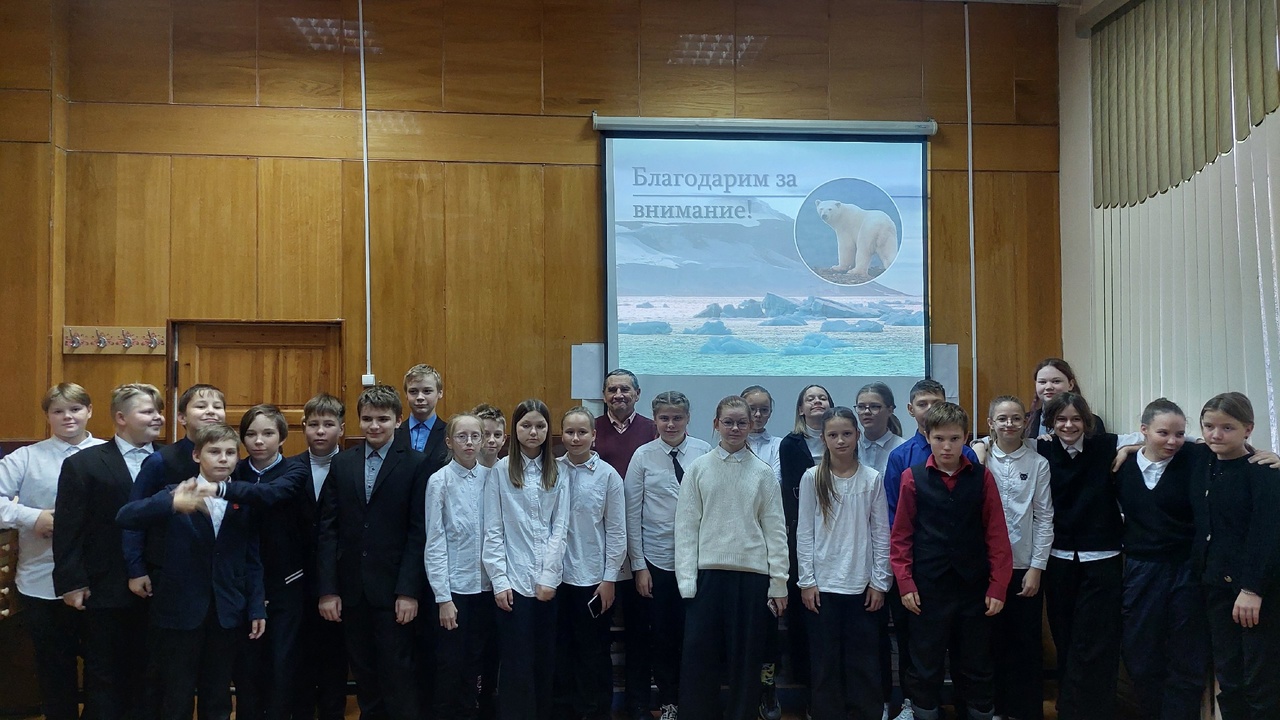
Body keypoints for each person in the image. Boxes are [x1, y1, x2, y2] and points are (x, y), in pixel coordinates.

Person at [116, 423, 266, 720]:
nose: (223, 459)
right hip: (179, 611)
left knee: (218, 695)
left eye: (230, 453)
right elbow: (125, 517)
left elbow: (252, 558)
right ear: (197, 455)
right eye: (214, 452)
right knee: (177, 694)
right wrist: (170, 504)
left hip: (226, 610)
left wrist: (256, 605)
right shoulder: (174, 492)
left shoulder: (243, 499)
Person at [889, 402, 1012, 720]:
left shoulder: (982, 478)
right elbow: (901, 536)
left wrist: (998, 585)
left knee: (976, 662)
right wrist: (905, 583)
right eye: (939, 438)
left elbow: (997, 534)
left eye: (954, 439)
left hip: (974, 587)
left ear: (966, 438)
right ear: (927, 436)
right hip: (927, 588)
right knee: (925, 664)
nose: (947, 446)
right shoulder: (912, 477)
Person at [316, 384, 429, 720]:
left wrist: (408, 591)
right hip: (352, 590)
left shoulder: (416, 463)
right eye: (367, 419)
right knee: (364, 673)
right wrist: (328, 590)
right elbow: (328, 530)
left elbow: (418, 532)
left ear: (398, 420)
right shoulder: (342, 463)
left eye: (383, 419)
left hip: (394, 591)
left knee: (398, 673)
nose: (374, 426)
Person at [54, 382, 164, 720]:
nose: (158, 417)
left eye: (159, 411)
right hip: (105, 586)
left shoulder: (172, 460)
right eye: (147, 411)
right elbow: (69, 529)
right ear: (120, 417)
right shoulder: (84, 464)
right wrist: (72, 582)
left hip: (162, 586)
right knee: (105, 674)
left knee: (153, 673)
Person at [675, 395, 789, 720]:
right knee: (699, 658)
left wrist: (779, 583)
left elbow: (775, 531)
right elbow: (685, 528)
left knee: (746, 659)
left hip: (752, 579)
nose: (735, 428)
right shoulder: (698, 469)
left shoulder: (763, 473)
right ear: (716, 424)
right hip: (707, 578)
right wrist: (687, 580)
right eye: (728, 422)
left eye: (741, 423)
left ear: (751, 425)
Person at [0, 383, 105, 720]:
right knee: (53, 667)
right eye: (58, 411)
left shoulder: (110, 453)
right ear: (47, 416)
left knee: (103, 666)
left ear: (89, 411)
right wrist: (31, 518)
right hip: (41, 580)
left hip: (100, 580)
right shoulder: (26, 458)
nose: (67, 417)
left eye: (75, 409)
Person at [882, 379, 979, 720]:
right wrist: (905, 571)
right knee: (916, 643)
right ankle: (915, 704)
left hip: (963, 573)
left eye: (935, 402)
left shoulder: (968, 456)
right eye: (922, 404)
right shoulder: (901, 457)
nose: (929, 410)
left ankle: (965, 705)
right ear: (911, 410)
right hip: (918, 569)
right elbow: (895, 517)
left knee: (966, 646)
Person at [1112, 398, 1209, 720]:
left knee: (1187, 653)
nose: (1172, 441)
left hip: (1186, 569)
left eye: (1180, 434)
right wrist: (1129, 449)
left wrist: (1269, 457)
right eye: (1163, 433)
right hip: (1141, 569)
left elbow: (1230, 447)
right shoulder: (1123, 467)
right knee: (1140, 651)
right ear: (1144, 430)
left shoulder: (1194, 458)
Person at [797, 407, 891, 720]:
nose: (841, 441)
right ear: (823, 439)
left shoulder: (872, 479)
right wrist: (807, 581)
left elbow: (881, 534)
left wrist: (879, 582)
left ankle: (865, 713)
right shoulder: (812, 478)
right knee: (825, 661)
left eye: (847, 434)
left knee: (862, 661)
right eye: (833, 435)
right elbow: (804, 533)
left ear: (857, 436)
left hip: (861, 586)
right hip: (822, 586)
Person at [1191, 392, 1280, 719]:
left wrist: (1252, 589)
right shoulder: (1201, 460)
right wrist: (1128, 449)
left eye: (1227, 428)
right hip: (1215, 586)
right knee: (1228, 678)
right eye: (1208, 426)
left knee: (1260, 680)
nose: (1216, 435)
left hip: (1255, 591)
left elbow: (1266, 535)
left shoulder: (1264, 472)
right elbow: (1157, 439)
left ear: (1248, 429)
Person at [217, 405, 309, 720]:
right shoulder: (234, 470)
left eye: (268, 433)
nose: (258, 441)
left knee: (283, 664)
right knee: (246, 668)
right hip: (242, 585)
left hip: (285, 582)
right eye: (251, 434)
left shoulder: (296, 470)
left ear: (282, 437)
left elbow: (272, 494)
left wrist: (223, 489)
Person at [625, 391, 712, 720]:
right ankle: (669, 701)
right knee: (662, 637)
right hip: (657, 561)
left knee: (694, 637)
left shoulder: (704, 452)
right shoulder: (643, 456)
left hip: (696, 562)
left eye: (677, 418)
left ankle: (694, 701)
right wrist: (639, 566)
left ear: (688, 418)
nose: (671, 424)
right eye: (664, 418)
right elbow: (632, 513)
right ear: (655, 420)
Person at [1035, 392, 1122, 720]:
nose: (1068, 425)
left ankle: (1097, 710)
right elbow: (998, 443)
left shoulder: (1107, 445)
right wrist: (981, 446)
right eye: (1061, 419)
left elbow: (1156, 436)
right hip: (1059, 557)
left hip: (1102, 556)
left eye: (1075, 419)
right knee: (1065, 635)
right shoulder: (1041, 449)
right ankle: (1070, 707)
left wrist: (1129, 449)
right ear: (1051, 422)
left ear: (1086, 421)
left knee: (1098, 639)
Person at [483, 399, 569, 720]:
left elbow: (560, 529)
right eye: (526, 425)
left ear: (548, 430)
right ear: (515, 429)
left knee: (545, 660)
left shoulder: (558, 471)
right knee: (515, 662)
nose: (533, 432)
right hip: (513, 583)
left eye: (540, 426)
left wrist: (549, 577)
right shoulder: (501, 471)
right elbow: (493, 530)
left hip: (548, 582)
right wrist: (499, 581)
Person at [971, 396, 1054, 720]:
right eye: (1002, 419)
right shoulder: (979, 459)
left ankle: (1023, 711)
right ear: (990, 423)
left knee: (1024, 644)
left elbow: (1044, 518)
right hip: (985, 567)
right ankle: (992, 710)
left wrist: (1036, 567)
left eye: (1016, 418)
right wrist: (978, 447)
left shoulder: (1038, 463)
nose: (1009, 424)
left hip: (1023, 566)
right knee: (987, 643)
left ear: (1025, 422)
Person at [553, 407, 626, 720]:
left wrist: (609, 579)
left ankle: (595, 712)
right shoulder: (551, 470)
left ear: (594, 435)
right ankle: (564, 711)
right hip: (556, 579)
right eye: (569, 432)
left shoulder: (608, 476)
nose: (575, 438)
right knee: (561, 650)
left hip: (593, 580)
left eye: (582, 432)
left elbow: (617, 532)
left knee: (593, 652)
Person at [123, 383, 227, 601]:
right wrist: (136, 569)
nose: (210, 411)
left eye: (217, 407)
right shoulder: (160, 460)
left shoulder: (230, 458)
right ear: (182, 418)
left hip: (220, 574)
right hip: (170, 571)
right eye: (201, 406)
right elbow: (134, 517)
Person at [593, 369, 657, 720]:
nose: (619, 395)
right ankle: (598, 705)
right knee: (596, 632)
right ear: (604, 395)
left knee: (639, 631)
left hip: (639, 546)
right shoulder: (590, 430)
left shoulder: (653, 429)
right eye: (612, 389)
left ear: (637, 394)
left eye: (625, 389)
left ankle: (637, 704)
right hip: (596, 547)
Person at [425, 412, 493, 720]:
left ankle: (470, 712)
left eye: (475, 436)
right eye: (462, 437)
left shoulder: (491, 478)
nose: (469, 443)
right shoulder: (439, 481)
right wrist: (443, 598)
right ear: (449, 441)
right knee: (449, 662)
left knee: (476, 660)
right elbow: (435, 542)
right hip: (454, 589)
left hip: (486, 587)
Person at [291, 393, 349, 720]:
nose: (321, 431)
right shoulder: (289, 467)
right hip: (297, 580)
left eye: (328, 424)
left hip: (341, 580)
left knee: (334, 658)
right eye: (313, 424)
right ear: (303, 427)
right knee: (300, 658)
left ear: (342, 427)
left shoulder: (353, 466)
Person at [778, 384, 834, 714]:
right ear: (801, 408)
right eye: (810, 398)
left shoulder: (840, 438)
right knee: (804, 607)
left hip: (837, 532)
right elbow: (790, 491)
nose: (816, 401)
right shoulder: (790, 444)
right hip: (801, 529)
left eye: (822, 397)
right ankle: (804, 680)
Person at [853, 382, 905, 718]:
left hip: (895, 551)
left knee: (894, 633)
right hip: (857, 550)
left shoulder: (902, 448)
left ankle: (896, 700)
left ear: (890, 410)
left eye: (874, 406)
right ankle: (869, 700)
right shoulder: (848, 445)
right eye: (861, 406)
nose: (867, 412)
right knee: (865, 634)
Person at [741, 385, 784, 719]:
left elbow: (773, 488)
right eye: (751, 409)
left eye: (763, 409)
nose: (757, 415)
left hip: (766, 547)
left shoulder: (778, 446)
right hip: (732, 549)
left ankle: (767, 688)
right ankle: (740, 691)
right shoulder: (717, 448)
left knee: (767, 625)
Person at [472, 402, 507, 719]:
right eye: (485, 434)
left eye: (497, 434)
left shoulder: (509, 471)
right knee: (474, 647)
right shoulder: (461, 473)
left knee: (498, 646)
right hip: (470, 580)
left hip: (503, 578)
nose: (491, 440)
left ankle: (491, 701)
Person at [1024, 359, 1106, 438]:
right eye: (1042, 382)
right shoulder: (1024, 420)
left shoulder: (1093, 422)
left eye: (1056, 381)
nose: (1048, 387)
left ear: (1070, 384)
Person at [395, 364, 450, 475]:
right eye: (413, 392)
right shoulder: (393, 433)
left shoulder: (449, 433)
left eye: (427, 391)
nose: (420, 397)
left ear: (440, 393)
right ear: (406, 394)